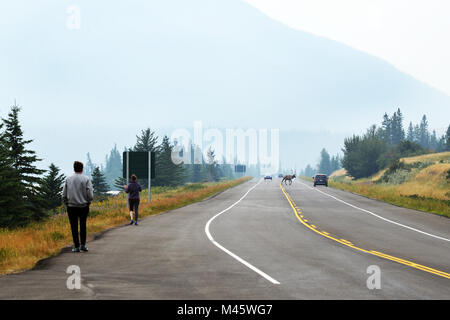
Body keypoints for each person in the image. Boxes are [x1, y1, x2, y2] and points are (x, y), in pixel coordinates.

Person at [62, 161, 94, 253]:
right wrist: (89, 201)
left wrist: (66, 202)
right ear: (82, 168)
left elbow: (64, 194)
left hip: (71, 206)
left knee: (74, 226)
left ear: (74, 168)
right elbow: (90, 194)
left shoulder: (68, 179)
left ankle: (76, 246)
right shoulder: (86, 179)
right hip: (83, 206)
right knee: (83, 225)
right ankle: (83, 245)